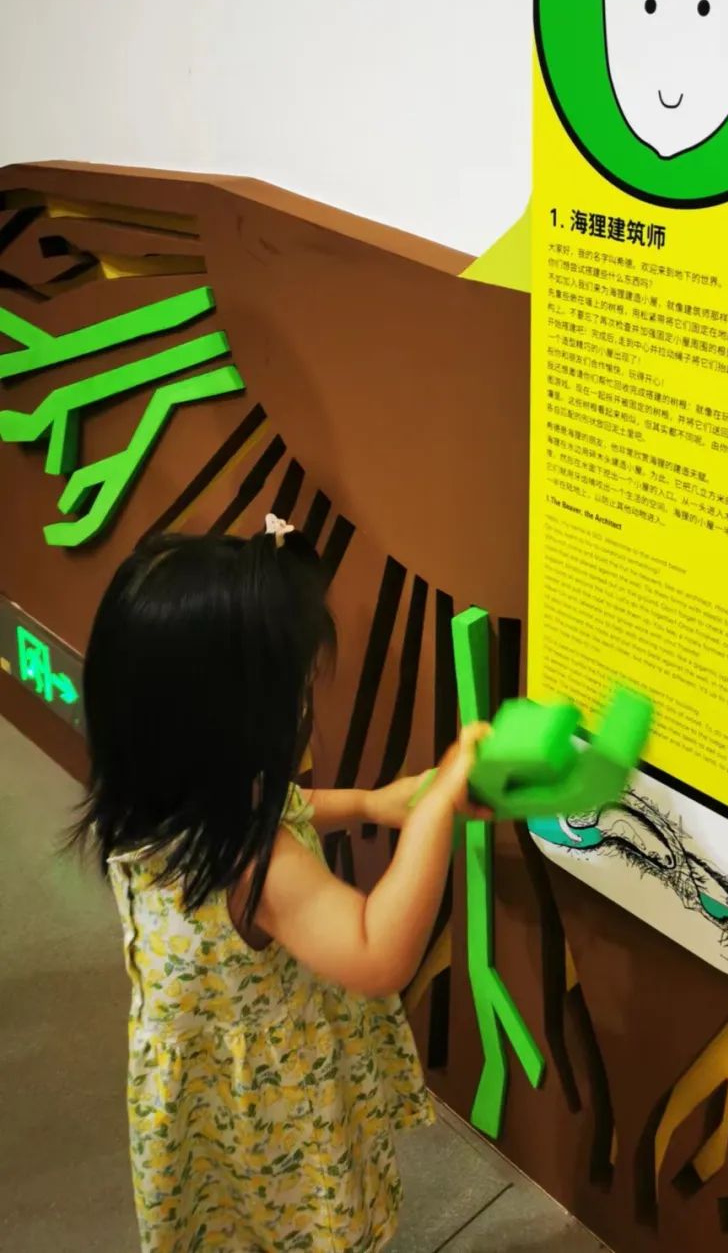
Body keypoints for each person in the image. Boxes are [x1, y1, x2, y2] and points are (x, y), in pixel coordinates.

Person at [71, 515, 489, 1253]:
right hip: (278, 1112)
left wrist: (371, 804)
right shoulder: (253, 864)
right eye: (295, 692)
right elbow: (376, 952)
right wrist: (438, 812)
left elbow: (289, 805)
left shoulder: (154, 802)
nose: (304, 708)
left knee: (226, 1227)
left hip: (203, 1098)